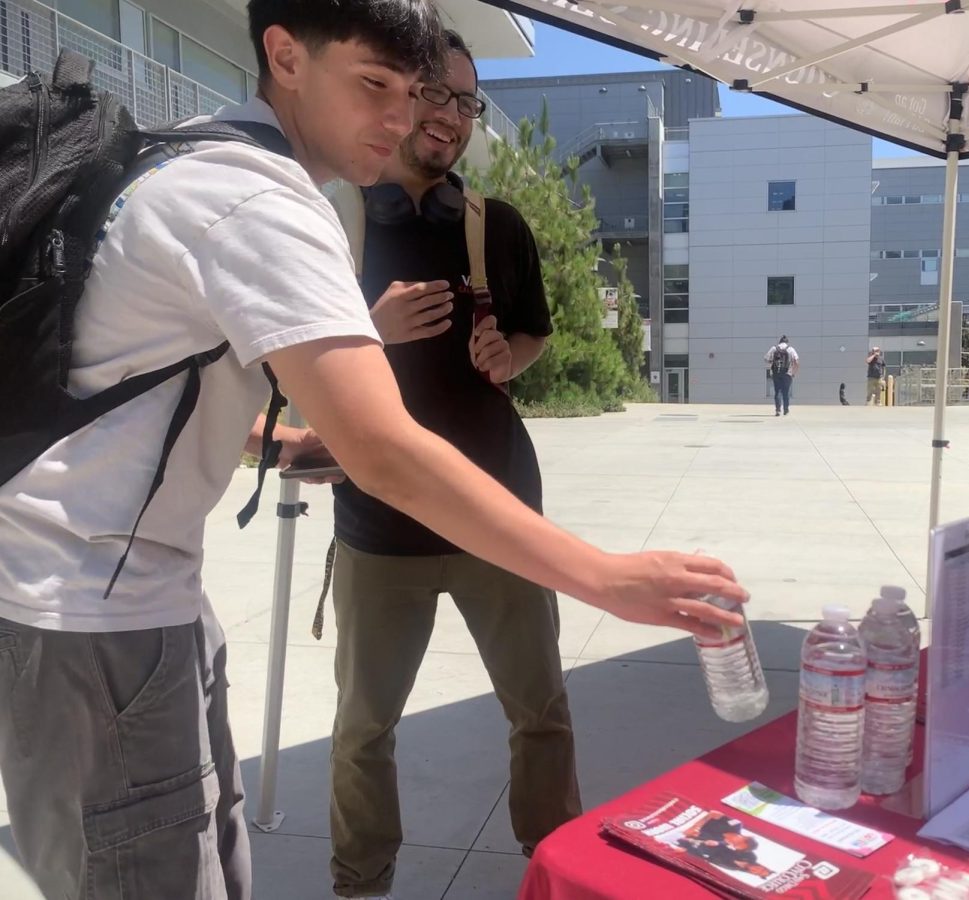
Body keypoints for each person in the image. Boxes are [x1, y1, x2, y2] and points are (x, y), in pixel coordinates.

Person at [0, 3, 746, 898]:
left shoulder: (186, 157)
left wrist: (276, 443)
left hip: (121, 601)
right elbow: (384, 451)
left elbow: (142, 382)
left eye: (421, 93)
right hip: (98, 615)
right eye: (375, 86)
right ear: (285, 56)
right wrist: (608, 579)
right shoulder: (258, 198)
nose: (399, 118)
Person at [323, 34, 576, 898]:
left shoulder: (495, 225)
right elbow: (281, 359)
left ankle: (558, 872)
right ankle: (360, 883)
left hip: (497, 514)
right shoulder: (334, 218)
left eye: (467, 101)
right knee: (363, 729)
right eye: (435, 91)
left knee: (540, 713)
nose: (450, 115)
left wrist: (513, 355)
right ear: (394, 95)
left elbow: (535, 330)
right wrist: (370, 327)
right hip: (376, 524)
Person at [763, 335, 799, 416]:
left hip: (776, 373)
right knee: (785, 392)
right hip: (787, 373)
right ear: (787, 342)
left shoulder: (774, 348)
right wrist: (793, 372)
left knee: (777, 391)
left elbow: (766, 358)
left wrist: (772, 362)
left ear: (779, 342)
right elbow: (796, 362)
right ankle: (786, 409)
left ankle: (778, 410)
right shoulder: (790, 349)